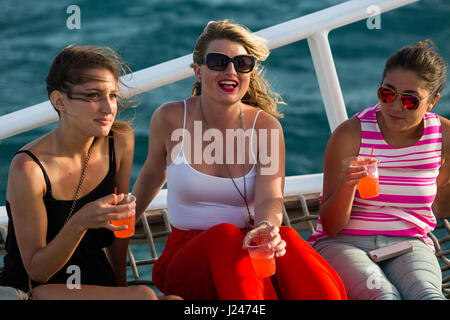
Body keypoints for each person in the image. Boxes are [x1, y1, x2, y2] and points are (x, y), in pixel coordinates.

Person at [132, 20, 347, 300]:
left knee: (289, 239)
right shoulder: (171, 118)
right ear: (197, 71)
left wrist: (265, 227)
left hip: (250, 248)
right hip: (188, 258)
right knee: (225, 236)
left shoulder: (266, 128)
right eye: (218, 62)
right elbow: (151, 174)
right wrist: (121, 226)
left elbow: (270, 198)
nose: (230, 70)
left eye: (242, 63)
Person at [0, 45, 177, 300]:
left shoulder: (119, 141)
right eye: (93, 96)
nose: (108, 108)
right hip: (37, 289)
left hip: (96, 279)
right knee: (146, 297)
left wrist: (120, 285)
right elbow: (37, 270)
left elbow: (119, 232)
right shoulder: (29, 168)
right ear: (59, 101)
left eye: (113, 95)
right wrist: (81, 222)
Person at [308, 40, 449, 300]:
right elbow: (330, 226)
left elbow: (442, 210)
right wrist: (348, 184)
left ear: (432, 102)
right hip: (344, 243)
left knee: (428, 295)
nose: (395, 106)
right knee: (383, 295)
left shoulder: (444, 136)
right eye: (387, 93)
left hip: (409, 243)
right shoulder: (351, 134)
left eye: (410, 100)